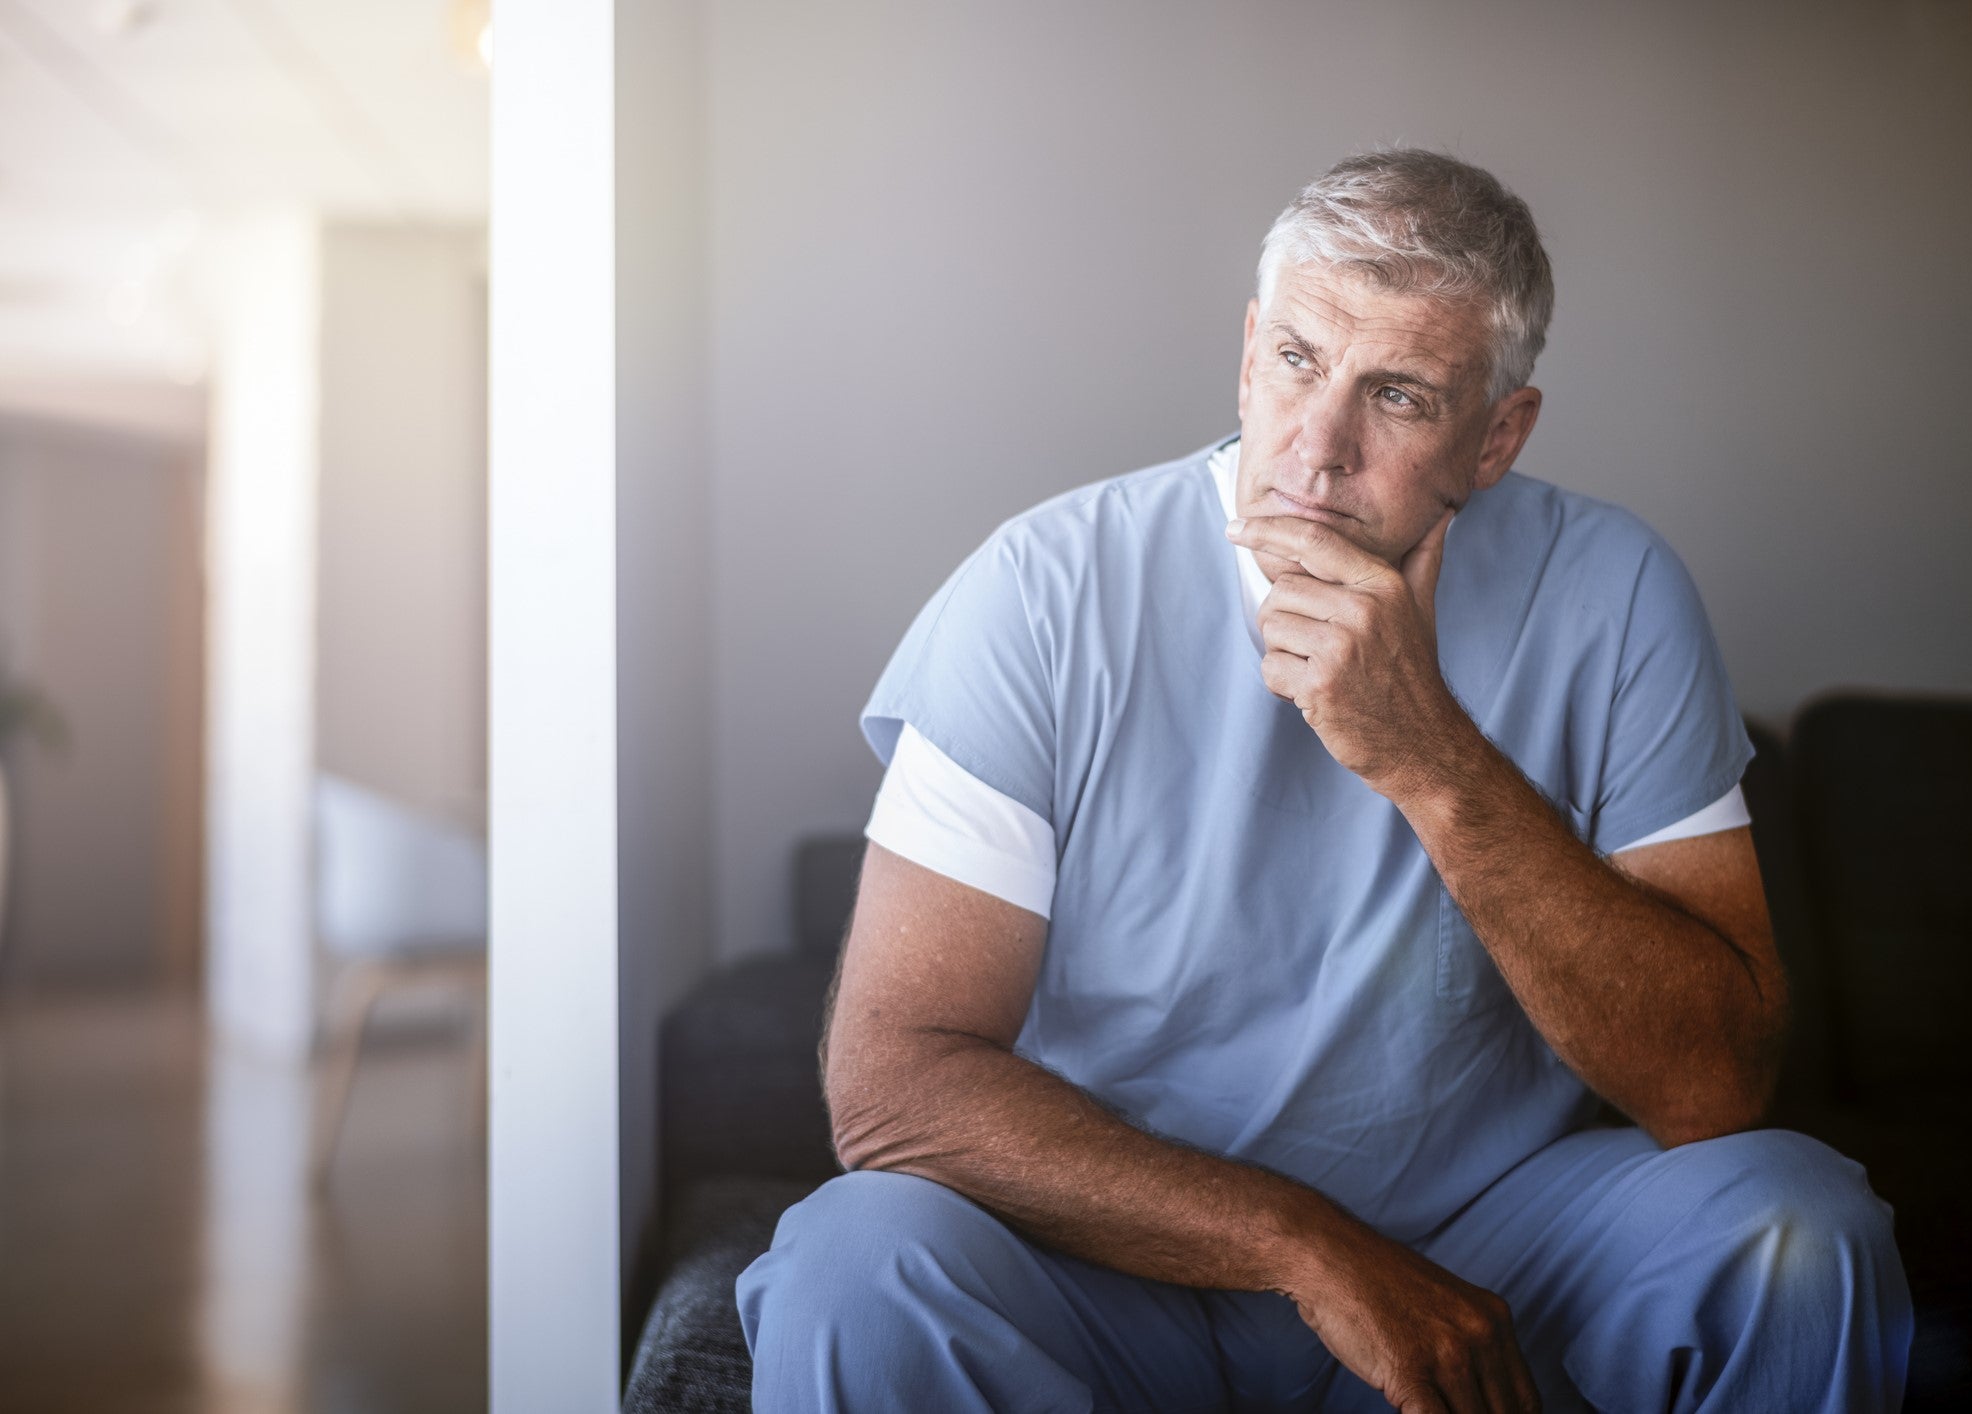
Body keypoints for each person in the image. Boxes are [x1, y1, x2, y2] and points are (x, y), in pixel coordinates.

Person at [736, 149, 1911, 1413]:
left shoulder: (1615, 594)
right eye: (1297, 360)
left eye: (1399, 394)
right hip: (1111, 1265)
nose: (1317, 446)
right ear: (1248, 351)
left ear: (1498, 435)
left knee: (1795, 1227)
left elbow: (1715, 1084)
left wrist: (1434, 759)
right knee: (852, 1262)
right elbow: (892, 1086)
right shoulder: (1039, 595)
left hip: (1488, 1253)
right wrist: (1311, 1252)